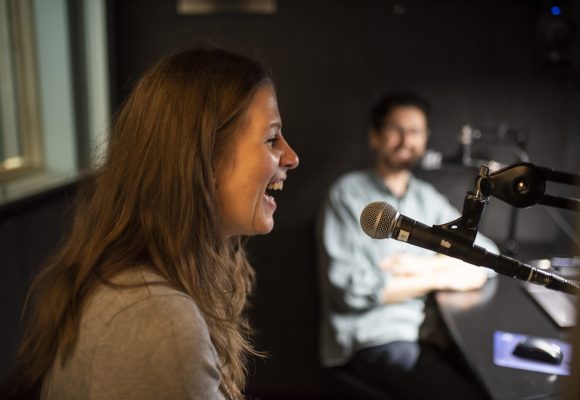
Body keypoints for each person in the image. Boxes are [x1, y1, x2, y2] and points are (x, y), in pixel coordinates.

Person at [1, 47, 299, 400]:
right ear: (203, 158)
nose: (292, 157)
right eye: (271, 138)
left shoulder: (151, 290)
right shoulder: (156, 319)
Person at [317, 93, 498, 399]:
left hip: (427, 332)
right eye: (396, 129)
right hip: (375, 337)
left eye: (415, 131)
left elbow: (487, 255)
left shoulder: (425, 198)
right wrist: (440, 276)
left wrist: (416, 267)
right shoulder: (347, 195)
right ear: (375, 136)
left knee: (491, 382)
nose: (406, 140)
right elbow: (350, 292)